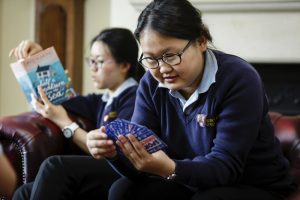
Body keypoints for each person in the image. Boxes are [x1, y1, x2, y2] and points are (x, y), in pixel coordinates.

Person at [86, 1, 297, 200]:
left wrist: (168, 168)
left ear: (201, 41)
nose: (162, 69)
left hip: (253, 185)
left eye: (170, 55)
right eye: (150, 59)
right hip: (187, 180)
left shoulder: (239, 79)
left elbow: (225, 167)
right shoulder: (150, 84)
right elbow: (142, 167)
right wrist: (114, 153)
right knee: (124, 190)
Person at [10, 28, 144, 200]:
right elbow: (58, 98)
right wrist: (37, 59)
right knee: (25, 192)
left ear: (125, 65)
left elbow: (111, 150)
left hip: (124, 170)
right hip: (106, 168)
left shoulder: (135, 97)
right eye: (91, 61)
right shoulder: (103, 100)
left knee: (55, 166)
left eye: (100, 62)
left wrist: (64, 123)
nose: (93, 69)